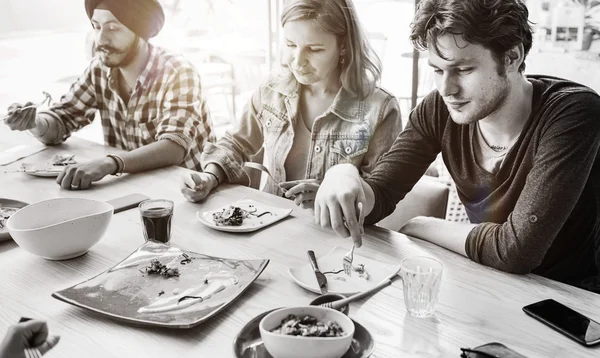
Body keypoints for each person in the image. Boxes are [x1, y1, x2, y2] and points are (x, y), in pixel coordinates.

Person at [314, 0, 600, 293]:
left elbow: (516, 250)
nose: (447, 89)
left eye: (463, 69)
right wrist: (344, 175)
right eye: (437, 70)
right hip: (489, 283)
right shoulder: (439, 109)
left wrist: (422, 225)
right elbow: (381, 196)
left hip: (572, 303)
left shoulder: (574, 113)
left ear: (512, 57)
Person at [180, 0, 402, 209]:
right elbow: (236, 144)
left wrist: (333, 195)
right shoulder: (271, 90)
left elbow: (380, 193)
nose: (297, 60)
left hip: (336, 237)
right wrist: (209, 176)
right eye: (290, 44)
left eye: (314, 49)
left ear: (343, 46)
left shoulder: (380, 108)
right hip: (268, 223)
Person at [4, 0, 214, 191]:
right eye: (96, 26)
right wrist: (34, 122)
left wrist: (109, 163)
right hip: (134, 186)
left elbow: (174, 147)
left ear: (141, 32)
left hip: (189, 193)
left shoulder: (178, 72)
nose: (100, 40)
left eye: (113, 28)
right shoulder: (100, 70)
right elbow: (63, 119)